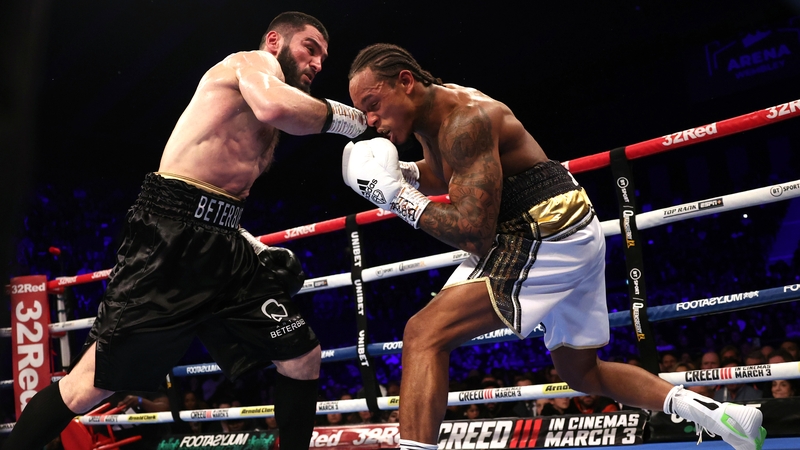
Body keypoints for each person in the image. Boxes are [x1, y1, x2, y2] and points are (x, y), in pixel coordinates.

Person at [341, 43, 766, 450]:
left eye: (372, 104)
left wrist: (395, 196)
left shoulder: (465, 120)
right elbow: (448, 172)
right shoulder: (436, 120)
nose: (369, 119)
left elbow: (472, 233)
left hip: (545, 231)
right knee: (581, 372)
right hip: (565, 226)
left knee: (424, 334)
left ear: (405, 81)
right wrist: (406, 176)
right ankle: (720, 415)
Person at [2, 11, 367, 450]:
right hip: (169, 238)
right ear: (275, 41)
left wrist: (243, 237)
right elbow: (276, 108)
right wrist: (350, 119)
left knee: (302, 355)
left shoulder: (268, 99)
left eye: (324, 57)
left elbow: (222, 184)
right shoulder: (251, 64)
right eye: (310, 48)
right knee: (87, 388)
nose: (318, 63)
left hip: (223, 241)